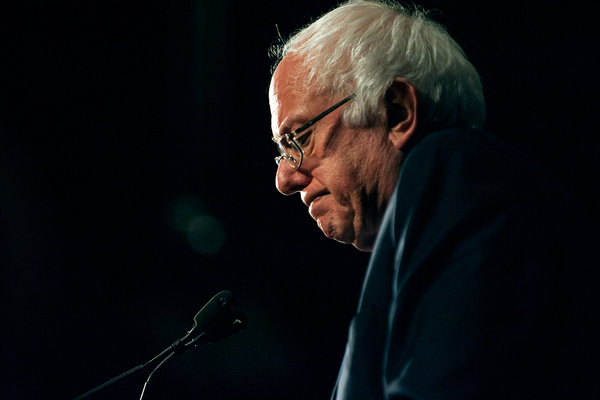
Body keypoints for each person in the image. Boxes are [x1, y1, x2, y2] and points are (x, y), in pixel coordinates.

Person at [268, 1, 600, 399]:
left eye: (299, 138)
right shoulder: (428, 231)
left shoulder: (453, 167)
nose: (284, 179)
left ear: (397, 111)